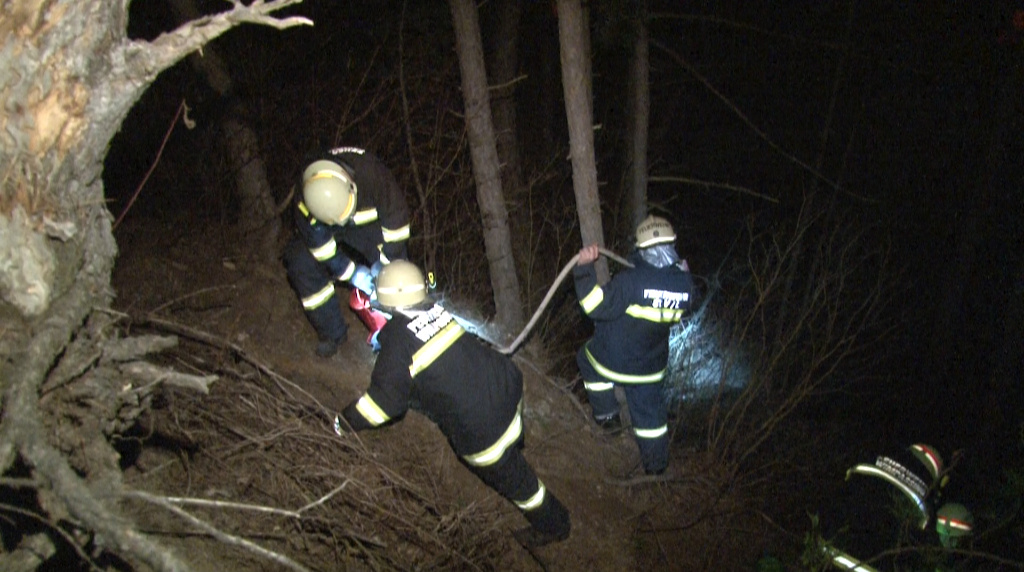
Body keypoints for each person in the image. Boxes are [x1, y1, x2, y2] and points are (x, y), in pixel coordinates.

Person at [333, 260, 572, 548]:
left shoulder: (397, 342)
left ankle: (555, 525)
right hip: (507, 389)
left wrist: (343, 422)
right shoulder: (437, 311)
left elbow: (383, 406)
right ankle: (514, 444)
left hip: (485, 432)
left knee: (520, 485)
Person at [574, 215, 694, 476]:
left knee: (585, 358)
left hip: (614, 362)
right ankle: (657, 468)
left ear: (641, 247)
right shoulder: (686, 286)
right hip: (651, 369)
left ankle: (607, 418)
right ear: (672, 244)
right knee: (651, 419)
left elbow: (593, 306)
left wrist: (583, 269)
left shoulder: (630, 281)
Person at [283, 146, 411, 358]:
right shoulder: (306, 200)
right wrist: (352, 273)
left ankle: (406, 330)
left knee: (397, 273)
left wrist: (387, 264)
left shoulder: (371, 174)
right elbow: (321, 247)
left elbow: (397, 223)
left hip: (366, 225)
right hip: (326, 228)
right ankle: (332, 333)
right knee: (300, 262)